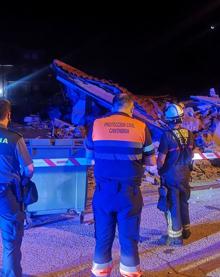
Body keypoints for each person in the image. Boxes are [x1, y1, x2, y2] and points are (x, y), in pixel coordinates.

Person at [85, 93, 156, 277]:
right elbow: (151, 161)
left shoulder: (96, 125)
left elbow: (89, 158)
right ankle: (130, 273)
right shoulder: (141, 127)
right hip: (129, 194)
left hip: (103, 193)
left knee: (102, 237)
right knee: (129, 238)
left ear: (112, 106)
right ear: (131, 109)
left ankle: (101, 272)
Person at [0, 98, 34, 276]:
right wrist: (24, 180)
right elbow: (29, 169)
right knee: (10, 241)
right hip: (7, 195)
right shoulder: (14, 138)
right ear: (8, 115)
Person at [157, 103, 194, 246]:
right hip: (185, 174)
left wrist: (158, 171)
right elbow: (192, 154)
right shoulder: (190, 134)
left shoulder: (166, 136)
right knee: (184, 202)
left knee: (173, 205)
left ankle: (175, 238)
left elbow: (161, 160)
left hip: (171, 176)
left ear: (168, 120)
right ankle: (186, 231)